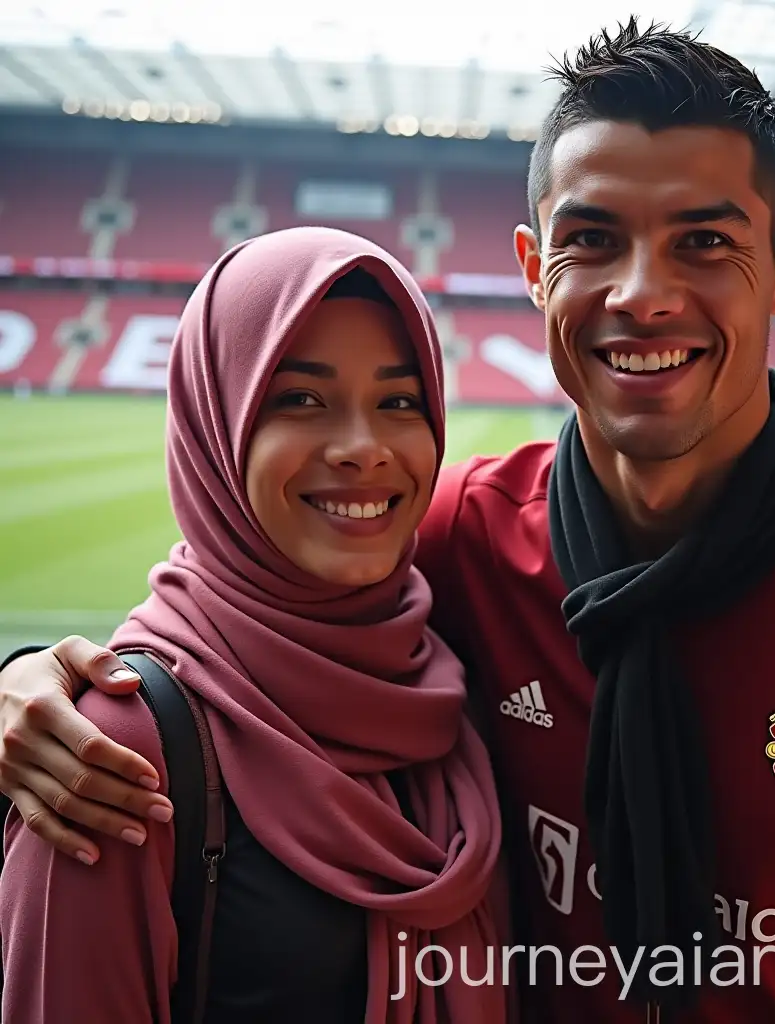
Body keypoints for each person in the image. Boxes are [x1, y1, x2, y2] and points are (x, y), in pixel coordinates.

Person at [2, 19, 775, 1024]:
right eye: (593, 240)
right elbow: (232, 622)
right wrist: (32, 679)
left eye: (705, 242)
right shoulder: (451, 542)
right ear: (535, 269)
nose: (642, 294)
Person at [0, 227, 510, 1023]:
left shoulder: (453, 680)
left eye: (399, 401)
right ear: (215, 425)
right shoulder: (111, 755)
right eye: (300, 399)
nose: (363, 448)